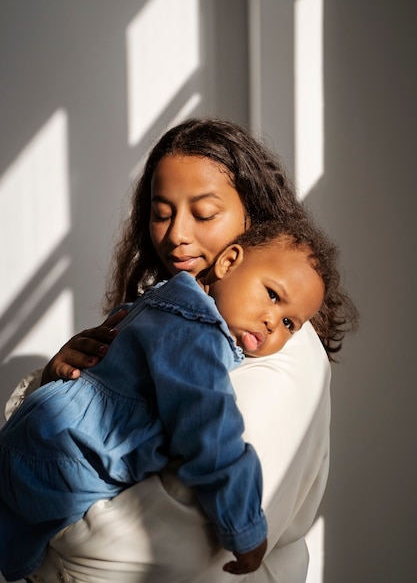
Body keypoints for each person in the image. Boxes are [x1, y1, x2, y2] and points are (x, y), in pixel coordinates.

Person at [5, 118, 358, 583]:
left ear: (251, 219)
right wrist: (68, 377)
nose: (175, 235)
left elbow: (164, 551)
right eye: (162, 211)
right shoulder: (177, 312)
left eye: (204, 213)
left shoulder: (276, 347)